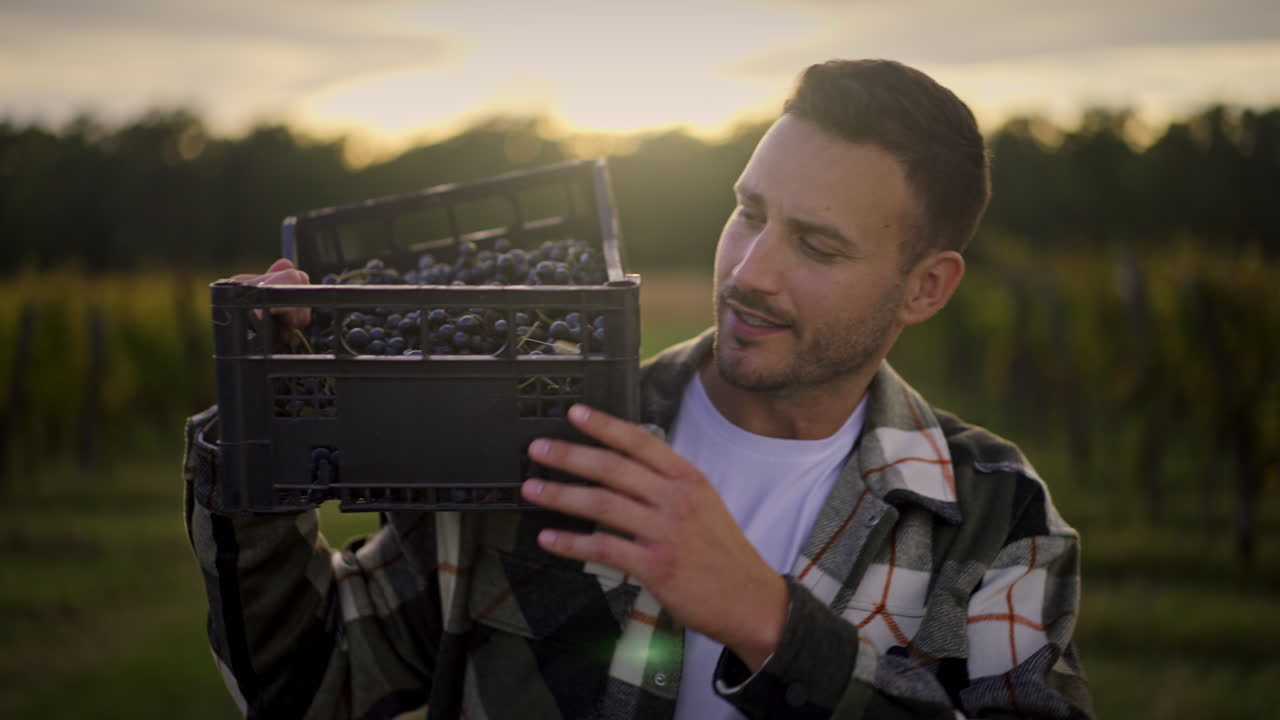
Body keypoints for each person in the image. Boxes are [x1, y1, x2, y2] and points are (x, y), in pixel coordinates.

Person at [184, 59, 1092, 719]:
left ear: (926, 286)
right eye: (749, 212)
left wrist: (770, 622)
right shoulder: (544, 433)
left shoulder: (992, 518)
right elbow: (312, 686)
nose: (751, 272)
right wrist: (265, 428)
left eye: (816, 247)